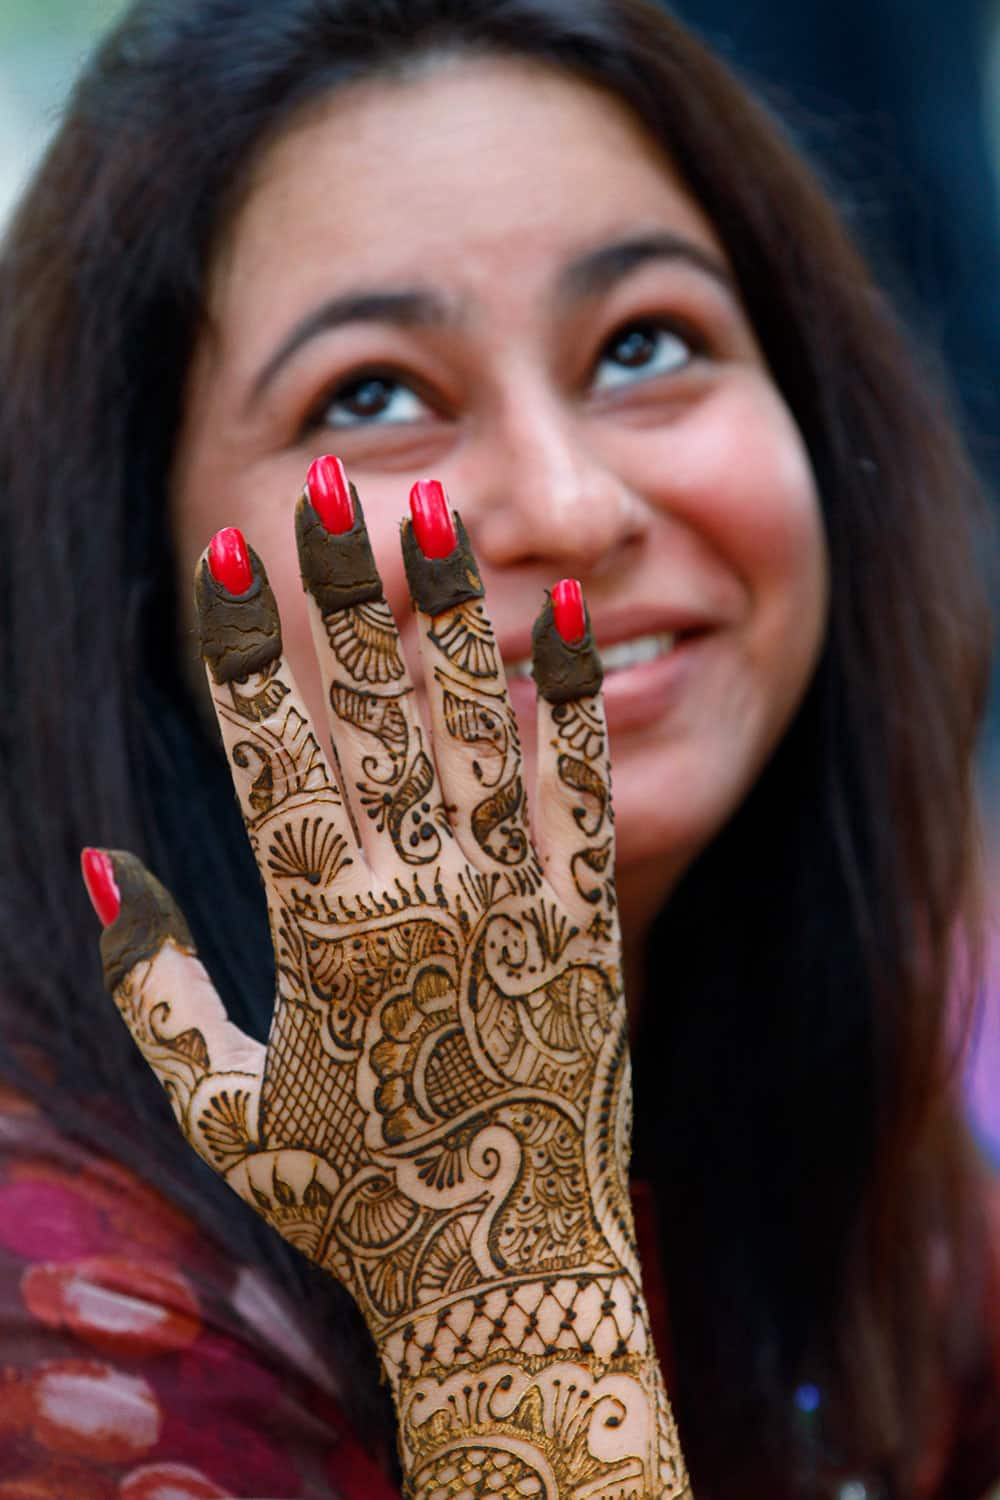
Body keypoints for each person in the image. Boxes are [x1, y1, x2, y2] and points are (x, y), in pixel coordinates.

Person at [0, 1, 996, 1496]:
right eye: (375, 395)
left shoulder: (854, 1120)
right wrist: (508, 1292)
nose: (571, 504)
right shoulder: (62, 1320)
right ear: (135, 584)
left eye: (646, 344)